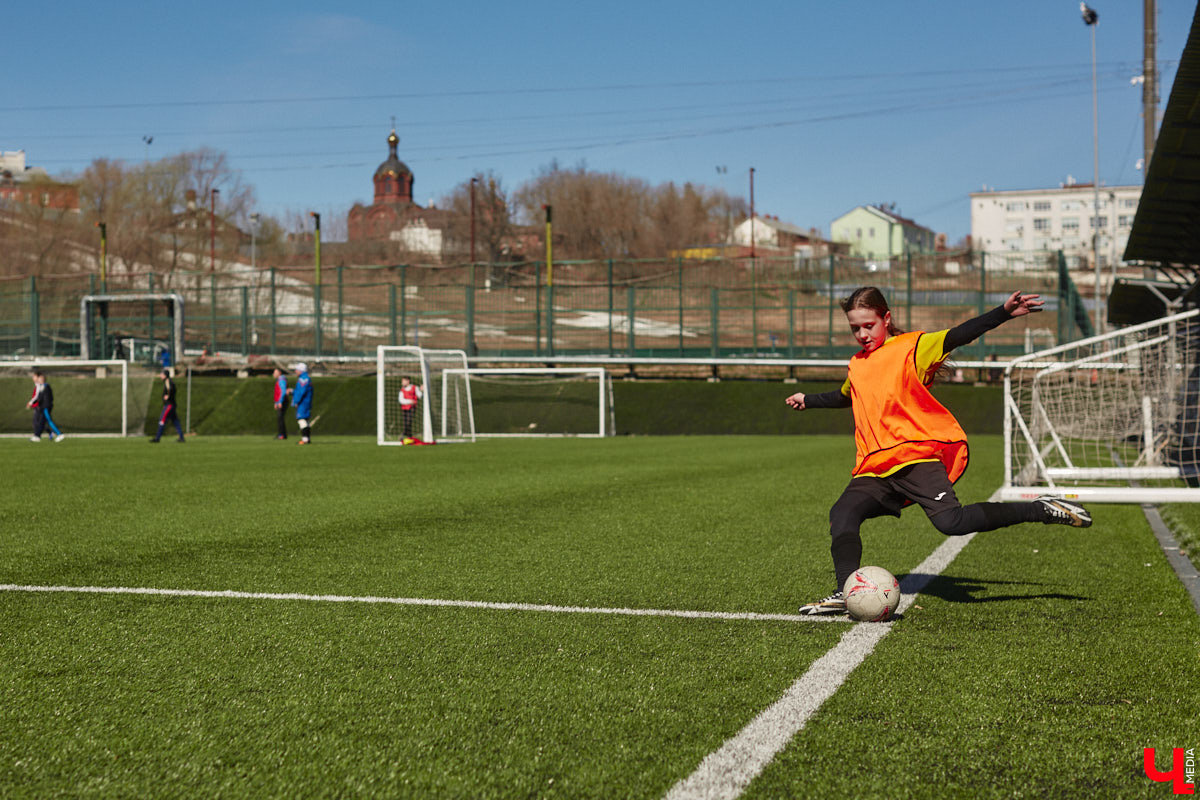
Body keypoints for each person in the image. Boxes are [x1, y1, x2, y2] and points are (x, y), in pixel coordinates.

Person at [786, 286, 1093, 616]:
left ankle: (1041, 509)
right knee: (843, 514)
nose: (862, 334)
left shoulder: (913, 347)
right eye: (855, 328)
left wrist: (1003, 312)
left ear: (886, 319)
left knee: (952, 522)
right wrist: (808, 400)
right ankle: (845, 590)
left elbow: (960, 334)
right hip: (875, 467)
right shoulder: (857, 364)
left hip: (916, 458)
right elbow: (846, 396)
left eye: (868, 325)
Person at [26, 371, 65, 442]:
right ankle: (37, 436)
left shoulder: (46, 386)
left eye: (39, 378)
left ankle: (59, 434)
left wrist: (33, 403)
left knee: (48, 420)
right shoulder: (41, 386)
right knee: (41, 422)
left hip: (45, 407)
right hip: (43, 407)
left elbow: (45, 398)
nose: (38, 379)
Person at [151, 368, 185, 443]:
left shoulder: (168, 381)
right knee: (175, 421)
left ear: (165, 375)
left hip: (169, 405)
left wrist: (168, 396)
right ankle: (181, 437)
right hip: (171, 405)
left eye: (162, 374)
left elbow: (171, 389)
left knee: (162, 420)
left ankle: (157, 438)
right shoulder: (168, 381)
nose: (160, 376)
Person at [288, 362, 313, 445]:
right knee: (305, 420)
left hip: (303, 402)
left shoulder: (303, 379)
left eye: (297, 370)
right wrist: (292, 391)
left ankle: (305, 439)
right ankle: (307, 438)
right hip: (305, 401)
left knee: (301, 419)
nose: (295, 371)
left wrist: (296, 401)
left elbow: (301, 392)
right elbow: (299, 390)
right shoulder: (305, 378)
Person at [398, 375, 423, 441]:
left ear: (408, 381)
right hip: (404, 409)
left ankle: (403, 434)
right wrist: (409, 401)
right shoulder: (402, 390)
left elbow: (420, 396)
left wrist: (421, 390)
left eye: (403, 381)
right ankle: (410, 436)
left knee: (408, 422)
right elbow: (401, 400)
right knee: (406, 423)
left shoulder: (415, 387)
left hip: (412, 408)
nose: (402, 382)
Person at [272, 367, 290, 440]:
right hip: (280, 401)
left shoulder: (282, 380)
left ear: (279, 373)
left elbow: (283, 391)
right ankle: (282, 434)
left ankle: (282, 434)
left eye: (275, 372)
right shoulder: (280, 380)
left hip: (283, 401)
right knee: (280, 418)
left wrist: (280, 402)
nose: (273, 374)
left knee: (280, 418)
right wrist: (276, 402)